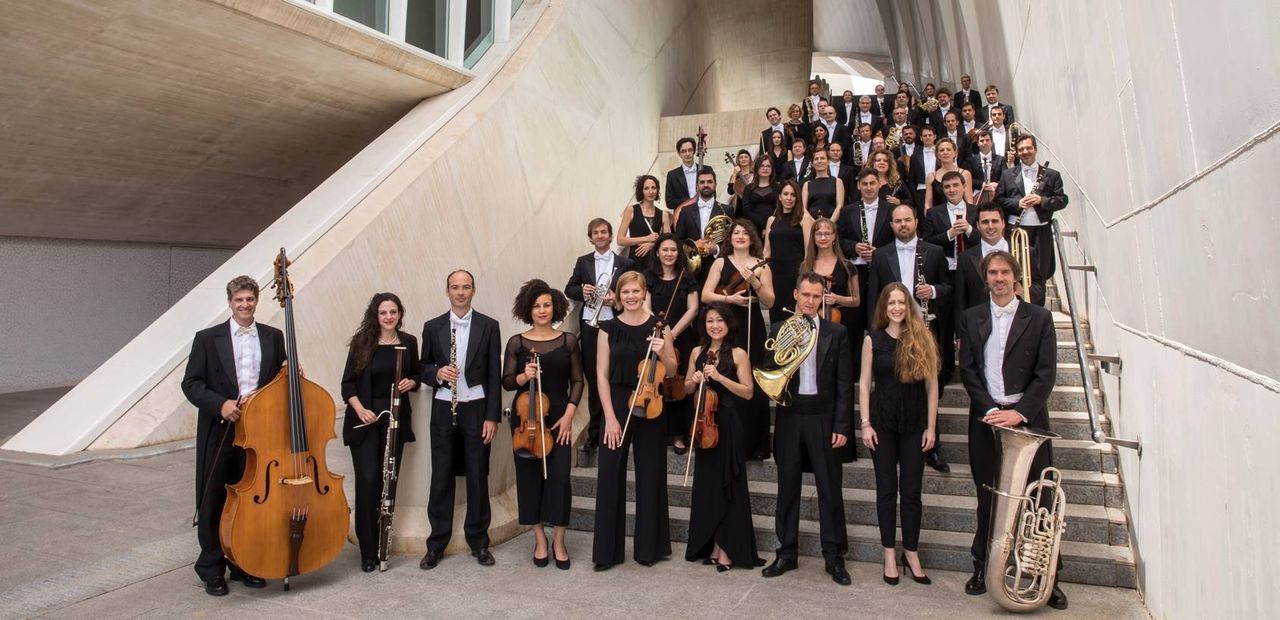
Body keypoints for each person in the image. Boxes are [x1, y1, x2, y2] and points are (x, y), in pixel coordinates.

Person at [956, 251, 1067, 610]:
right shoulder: (971, 317)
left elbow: (1045, 374)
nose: (999, 278)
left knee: (1040, 501)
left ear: (1015, 278)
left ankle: (1047, 577)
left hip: (1027, 420)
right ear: (986, 278)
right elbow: (969, 371)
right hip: (987, 418)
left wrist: (1019, 413)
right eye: (993, 273)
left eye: (1005, 272)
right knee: (987, 496)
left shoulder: (1039, 318)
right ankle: (982, 568)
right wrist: (989, 408)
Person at [182, 275, 285, 595]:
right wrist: (220, 404)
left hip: (259, 431)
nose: (244, 305)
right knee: (214, 496)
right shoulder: (207, 338)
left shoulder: (273, 336)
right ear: (230, 302)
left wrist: (291, 372)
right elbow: (192, 383)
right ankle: (212, 567)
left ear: (257, 301)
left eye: (250, 299)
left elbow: (278, 377)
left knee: (251, 500)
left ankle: (243, 562)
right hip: (222, 427)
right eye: (239, 300)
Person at [760, 272, 854, 586]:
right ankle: (786, 552)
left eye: (816, 296)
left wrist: (842, 425)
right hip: (791, 414)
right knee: (787, 488)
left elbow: (844, 385)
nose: (811, 301)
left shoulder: (836, 332)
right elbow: (769, 375)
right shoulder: (778, 329)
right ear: (796, 295)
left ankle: (834, 556)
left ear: (822, 297)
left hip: (824, 417)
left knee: (830, 489)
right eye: (806, 295)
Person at [593, 271, 678, 571]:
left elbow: (671, 371)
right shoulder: (607, 328)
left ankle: (649, 549)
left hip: (651, 402)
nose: (630, 296)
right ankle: (607, 553)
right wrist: (610, 418)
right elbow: (601, 376)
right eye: (625, 292)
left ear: (644, 294)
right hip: (615, 402)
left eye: (635, 291)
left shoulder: (660, 327)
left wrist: (662, 352)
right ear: (618, 295)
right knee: (609, 474)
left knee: (651, 473)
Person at [418, 270, 502, 570]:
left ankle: (479, 543)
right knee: (441, 476)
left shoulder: (490, 326)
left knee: (478, 475)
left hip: (476, 408)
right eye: (455, 287)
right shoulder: (432, 326)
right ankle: (436, 544)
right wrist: (438, 373)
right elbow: (422, 367)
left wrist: (492, 417)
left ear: (473, 290)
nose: (461, 292)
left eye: (466, 287)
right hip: (443, 407)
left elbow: (494, 373)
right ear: (447, 291)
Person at [859, 282, 939, 586]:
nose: (896, 308)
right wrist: (865, 423)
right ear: (884, 307)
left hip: (915, 424)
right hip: (882, 424)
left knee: (912, 492)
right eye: (891, 303)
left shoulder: (922, 337)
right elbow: (864, 384)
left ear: (909, 307)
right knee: (886, 490)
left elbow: (932, 387)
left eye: (901, 303)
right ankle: (889, 553)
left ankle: (912, 552)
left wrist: (932, 427)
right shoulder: (872, 340)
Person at [502, 279, 583, 570]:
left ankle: (559, 540)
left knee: (560, 480)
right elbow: (507, 381)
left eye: (547, 305)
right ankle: (539, 539)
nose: (542, 310)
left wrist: (570, 414)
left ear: (555, 307)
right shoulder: (517, 343)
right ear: (528, 309)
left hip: (559, 418)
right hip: (527, 420)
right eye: (536, 306)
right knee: (529, 481)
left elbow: (577, 380)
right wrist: (524, 376)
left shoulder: (567, 341)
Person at [867, 205, 952, 473]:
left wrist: (934, 291)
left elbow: (950, 287)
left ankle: (932, 447)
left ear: (916, 222)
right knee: (897, 388)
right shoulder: (881, 255)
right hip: (891, 332)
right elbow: (875, 297)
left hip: (924, 330)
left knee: (927, 387)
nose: (903, 225)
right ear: (891, 225)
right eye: (897, 221)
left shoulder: (935, 252)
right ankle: (894, 444)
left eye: (907, 220)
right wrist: (873, 333)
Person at [340, 292, 421, 573]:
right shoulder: (362, 343)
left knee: (388, 484)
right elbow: (347, 385)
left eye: (393, 312)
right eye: (383, 312)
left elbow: (417, 374)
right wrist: (361, 410)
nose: (389, 317)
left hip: (395, 420)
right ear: (376, 315)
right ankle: (367, 550)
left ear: (400, 314)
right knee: (369, 481)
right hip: (364, 420)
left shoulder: (408, 342)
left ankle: (382, 544)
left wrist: (412, 382)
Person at [683, 303, 763, 571]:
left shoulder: (739, 354)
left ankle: (727, 548)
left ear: (728, 324)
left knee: (729, 486)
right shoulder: (697, 351)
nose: (714, 325)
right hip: (704, 425)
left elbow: (748, 392)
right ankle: (713, 544)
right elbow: (685, 388)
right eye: (709, 321)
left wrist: (718, 376)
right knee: (708, 488)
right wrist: (694, 380)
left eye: (719, 320)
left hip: (727, 424)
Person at [702, 220, 775, 461]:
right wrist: (729, 300)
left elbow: (770, 301)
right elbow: (706, 295)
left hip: (751, 324)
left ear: (752, 237)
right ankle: (726, 439)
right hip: (725, 324)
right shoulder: (720, 262)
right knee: (727, 375)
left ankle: (754, 444)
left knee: (752, 377)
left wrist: (755, 282)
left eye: (745, 232)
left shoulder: (760, 265)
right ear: (730, 238)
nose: (740, 236)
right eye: (736, 233)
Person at [565, 218, 634, 449]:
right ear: (590, 237)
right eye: (596, 233)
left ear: (611, 235)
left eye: (604, 232)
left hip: (616, 324)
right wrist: (583, 291)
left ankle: (621, 423)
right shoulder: (583, 262)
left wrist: (618, 299)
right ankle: (595, 430)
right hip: (590, 324)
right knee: (594, 378)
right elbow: (569, 289)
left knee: (618, 374)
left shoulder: (625, 263)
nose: (601, 236)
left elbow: (636, 291)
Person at [921, 171, 980, 383]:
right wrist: (949, 235)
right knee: (945, 322)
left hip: (972, 273)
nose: (952, 190)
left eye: (956, 185)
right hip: (946, 272)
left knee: (972, 319)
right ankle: (945, 369)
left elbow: (988, 239)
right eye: (947, 187)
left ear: (964, 187)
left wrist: (970, 230)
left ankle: (973, 367)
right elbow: (926, 242)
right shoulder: (934, 214)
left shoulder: (975, 211)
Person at [644, 234, 700, 453]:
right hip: (655, 335)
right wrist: (663, 333)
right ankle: (657, 432)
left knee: (679, 385)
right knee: (656, 380)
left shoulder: (687, 276)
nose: (669, 254)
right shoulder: (648, 276)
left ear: (679, 253)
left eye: (673, 250)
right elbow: (645, 307)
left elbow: (693, 309)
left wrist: (672, 333)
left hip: (682, 337)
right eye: (665, 250)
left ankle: (678, 434)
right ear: (657, 252)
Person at [996, 134, 1069, 284]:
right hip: (1016, 231)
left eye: (1028, 148)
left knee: (1041, 274)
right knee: (1016, 273)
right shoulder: (1007, 175)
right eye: (1021, 149)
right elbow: (998, 200)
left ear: (1035, 149)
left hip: (1041, 232)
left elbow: (1062, 200)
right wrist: (1018, 203)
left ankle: (1038, 306)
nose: (1025, 151)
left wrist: (1041, 200)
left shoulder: (1052, 175)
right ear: (1017, 152)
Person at [955, 203, 1047, 310]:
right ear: (978, 225)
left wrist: (1024, 292)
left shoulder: (1024, 252)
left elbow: (1040, 287)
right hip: (980, 323)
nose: (990, 226)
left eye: (995, 221)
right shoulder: (965, 258)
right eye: (985, 222)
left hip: (1017, 320)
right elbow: (960, 301)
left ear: (1003, 223)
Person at [674, 168, 735, 286]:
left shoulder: (727, 210)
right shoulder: (685, 211)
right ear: (697, 186)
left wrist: (716, 249)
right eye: (702, 182)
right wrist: (693, 246)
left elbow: (731, 241)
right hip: (692, 267)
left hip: (718, 263)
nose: (706, 185)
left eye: (709, 182)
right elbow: (677, 240)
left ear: (715, 185)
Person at [762, 180, 812, 322]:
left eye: (793, 195)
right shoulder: (772, 220)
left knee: (794, 318)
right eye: (785, 194)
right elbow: (766, 251)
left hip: (795, 275)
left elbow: (809, 251)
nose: (789, 198)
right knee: (776, 318)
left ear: (797, 198)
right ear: (779, 196)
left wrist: (803, 277)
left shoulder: (804, 218)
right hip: (775, 275)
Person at [617, 175, 671, 267]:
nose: (651, 192)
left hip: (655, 262)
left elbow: (668, 241)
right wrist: (646, 238)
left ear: (657, 190)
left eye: (653, 188)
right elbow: (620, 240)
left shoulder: (663, 214)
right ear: (641, 191)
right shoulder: (631, 210)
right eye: (646, 188)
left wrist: (652, 245)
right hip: (635, 261)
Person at [921, 138, 973, 209]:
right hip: (938, 217)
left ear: (955, 153)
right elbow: (928, 204)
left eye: (948, 149)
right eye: (942, 150)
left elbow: (969, 201)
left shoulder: (965, 174)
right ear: (937, 154)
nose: (945, 152)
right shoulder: (931, 177)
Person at [664, 137, 711, 213]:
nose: (687, 153)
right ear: (679, 154)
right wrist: (692, 200)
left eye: (690, 150)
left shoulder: (707, 170)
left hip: (704, 213)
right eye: (683, 151)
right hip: (683, 216)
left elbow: (713, 195)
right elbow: (669, 203)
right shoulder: (672, 175)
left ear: (694, 151)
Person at [739, 155, 779, 235]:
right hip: (753, 229)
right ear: (757, 168)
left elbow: (778, 208)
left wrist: (769, 227)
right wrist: (764, 226)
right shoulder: (748, 188)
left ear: (772, 169)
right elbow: (747, 211)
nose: (765, 168)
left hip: (774, 228)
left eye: (768, 166)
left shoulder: (778, 187)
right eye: (762, 166)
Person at [802, 148, 845, 221]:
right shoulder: (807, 184)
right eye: (816, 159)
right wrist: (815, 225)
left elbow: (840, 206)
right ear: (812, 163)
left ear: (828, 161)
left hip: (833, 225)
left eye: (822, 158)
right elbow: (803, 209)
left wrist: (829, 224)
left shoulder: (838, 182)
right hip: (813, 226)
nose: (819, 161)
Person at [964, 130, 1005, 204]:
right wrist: (982, 185)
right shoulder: (970, 161)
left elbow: (1005, 177)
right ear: (978, 143)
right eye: (982, 141)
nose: (985, 143)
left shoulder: (1001, 159)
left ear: (991, 142)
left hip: (997, 195)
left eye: (987, 140)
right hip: (978, 196)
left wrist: (996, 185)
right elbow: (969, 179)